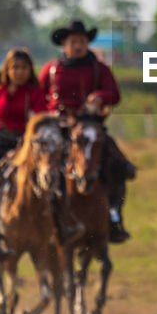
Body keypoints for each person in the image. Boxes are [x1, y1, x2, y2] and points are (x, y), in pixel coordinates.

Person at [38, 20, 134, 243]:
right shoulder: (51, 69)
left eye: (82, 41)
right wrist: (47, 113)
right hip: (59, 128)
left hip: (91, 127)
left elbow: (115, 95)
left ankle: (114, 216)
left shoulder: (100, 69)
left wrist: (99, 96)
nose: (78, 46)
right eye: (73, 42)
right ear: (64, 44)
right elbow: (36, 96)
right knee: (44, 165)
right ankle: (46, 218)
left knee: (119, 165)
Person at [0, 48, 48, 258]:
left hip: (25, 142)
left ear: (30, 70)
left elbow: (40, 119)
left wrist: (35, 118)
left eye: (24, 68)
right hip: (0, 141)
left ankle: (56, 223)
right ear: (7, 70)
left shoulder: (35, 93)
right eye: (15, 67)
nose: (19, 72)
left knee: (50, 174)